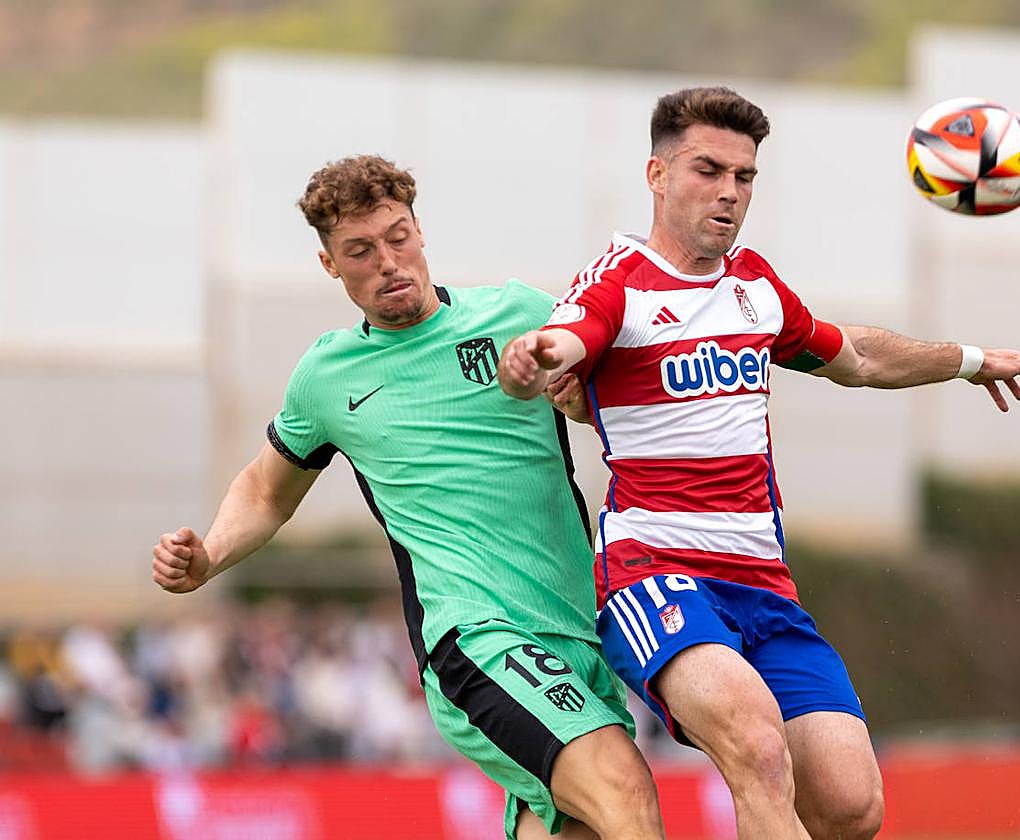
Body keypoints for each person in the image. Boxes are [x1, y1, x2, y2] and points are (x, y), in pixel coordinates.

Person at [498, 87, 1020, 839]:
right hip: (654, 573)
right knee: (757, 749)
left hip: (763, 582)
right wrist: (533, 360)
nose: (730, 192)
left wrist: (971, 360)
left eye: (745, 176)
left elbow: (856, 357)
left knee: (849, 806)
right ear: (657, 174)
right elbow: (562, 343)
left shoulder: (755, 285)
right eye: (709, 170)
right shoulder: (617, 283)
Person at [151, 155, 664, 840]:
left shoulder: (521, 314)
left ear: (420, 231)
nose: (388, 262)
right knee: (624, 787)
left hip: (579, 627)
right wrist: (209, 556)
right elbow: (266, 492)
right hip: (474, 636)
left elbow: (624, 405)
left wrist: (581, 403)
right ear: (330, 264)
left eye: (398, 238)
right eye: (360, 251)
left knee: (588, 825)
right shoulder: (327, 376)